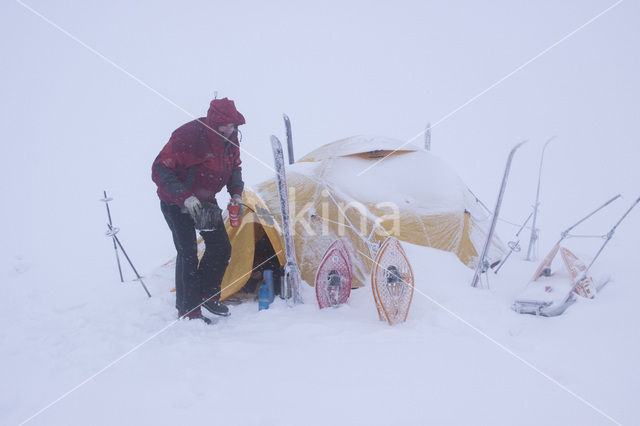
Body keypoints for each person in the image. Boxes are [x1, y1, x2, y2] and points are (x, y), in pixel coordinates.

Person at [152, 97, 245, 324]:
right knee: (188, 252)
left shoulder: (230, 140)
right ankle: (189, 311)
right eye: (226, 125)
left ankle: (207, 295)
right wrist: (184, 197)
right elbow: (160, 169)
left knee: (220, 247)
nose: (231, 130)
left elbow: (235, 168)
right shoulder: (189, 137)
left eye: (234, 125)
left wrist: (236, 194)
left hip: (204, 201)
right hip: (176, 202)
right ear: (214, 123)